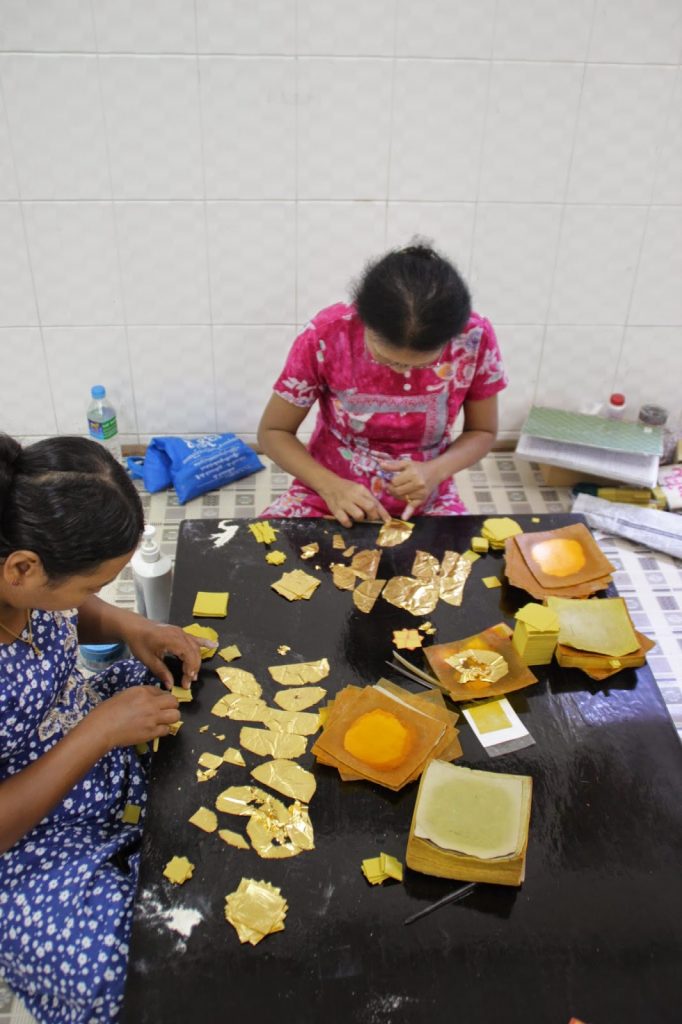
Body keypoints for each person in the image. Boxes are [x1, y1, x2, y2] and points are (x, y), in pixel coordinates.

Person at [0, 435, 205, 1024]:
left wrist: (130, 626)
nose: (91, 599)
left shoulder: (22, 575)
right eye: (93, 585)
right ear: (21, 567)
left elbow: (64, 607)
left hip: (91, 737)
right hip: (28, 838)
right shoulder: (23, 572)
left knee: (199, 710)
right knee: (126, 973)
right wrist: (95, 733)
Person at [258, 244, 507, 526]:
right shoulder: (327, 334)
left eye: (419, 364)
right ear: (363, 320)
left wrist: (434, 471)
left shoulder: (474, 338)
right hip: (327, 492)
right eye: (387, 358)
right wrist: (331, 487)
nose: (401, 372)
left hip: (426, 499)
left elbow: (483, 431)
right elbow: (273, 432)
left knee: (466, 562)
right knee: (262, 553)